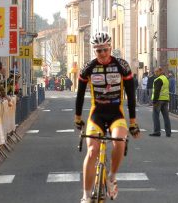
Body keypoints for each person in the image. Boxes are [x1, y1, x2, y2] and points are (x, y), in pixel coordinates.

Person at [74, 32, 140, 203]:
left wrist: (133, 123)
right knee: (92, 151)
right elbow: (80, 95)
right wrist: (77, 118)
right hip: (97, 113)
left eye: (105, 49)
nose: (102, 53)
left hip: (115, 113)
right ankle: (86, 195)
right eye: (98, 51)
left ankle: (111, 177)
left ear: (110, 48)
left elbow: (131, 96)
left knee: (119, 140)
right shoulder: (88, 67)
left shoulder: (122, 65)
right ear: (94, 51)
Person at [149, 67, 172, 137]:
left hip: (158, 100)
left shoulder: (158, 80)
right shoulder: (166, 79)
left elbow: (156, 91)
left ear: (160, 72)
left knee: (155, 116)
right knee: (166, 117)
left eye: (156, 72)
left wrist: (154, 101)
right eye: (155, 72)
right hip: (165, 100)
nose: (155, 73)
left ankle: (157, 131)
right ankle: (168, 132)